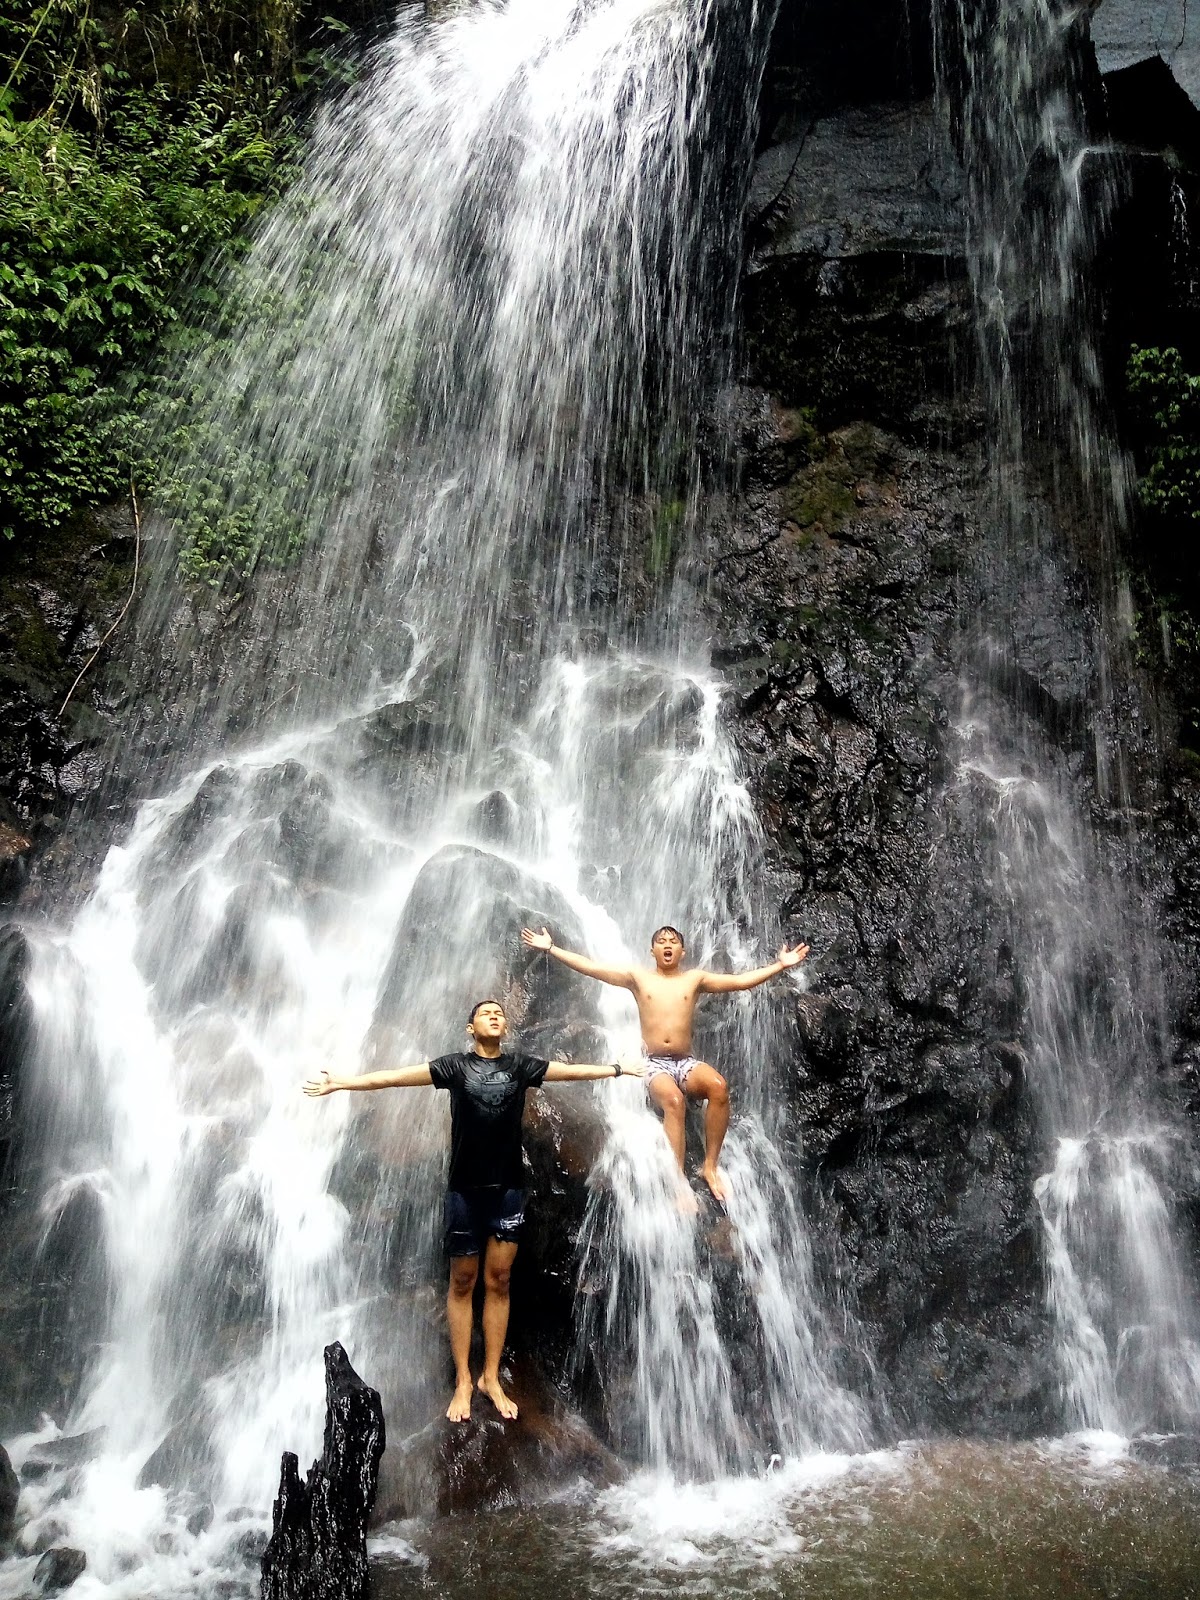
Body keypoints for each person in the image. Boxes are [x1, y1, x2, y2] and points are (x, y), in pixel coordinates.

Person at [303, 999, 640, 1424]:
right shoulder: (454, 1068)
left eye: (500, 1012)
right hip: (464, 1192)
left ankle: (491, 1377)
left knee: (498, 1280)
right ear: (470, 1028)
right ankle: (463, 1378)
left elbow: (568, 1072)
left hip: (508, 1193)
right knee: (462, 1281)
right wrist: (343, 1084)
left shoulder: (520, 1067)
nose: (495, 1015)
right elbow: (395, 1078)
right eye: (486, 1013)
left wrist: (616, 1070)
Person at [520, 924, 808, 1204]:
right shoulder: (638, 978)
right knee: (673, 1100)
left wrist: (780, 965)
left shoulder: (695, 979)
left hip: (685, 1062)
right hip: (653, 1064)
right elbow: (593, 968)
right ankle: (677, 1181)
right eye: (662, 941)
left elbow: (740, 982)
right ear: (652, 950)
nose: (668, 944)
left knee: (719, 1087)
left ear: (682, 951)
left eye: (673, 941)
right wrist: (553, 949)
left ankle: (709, 1166)